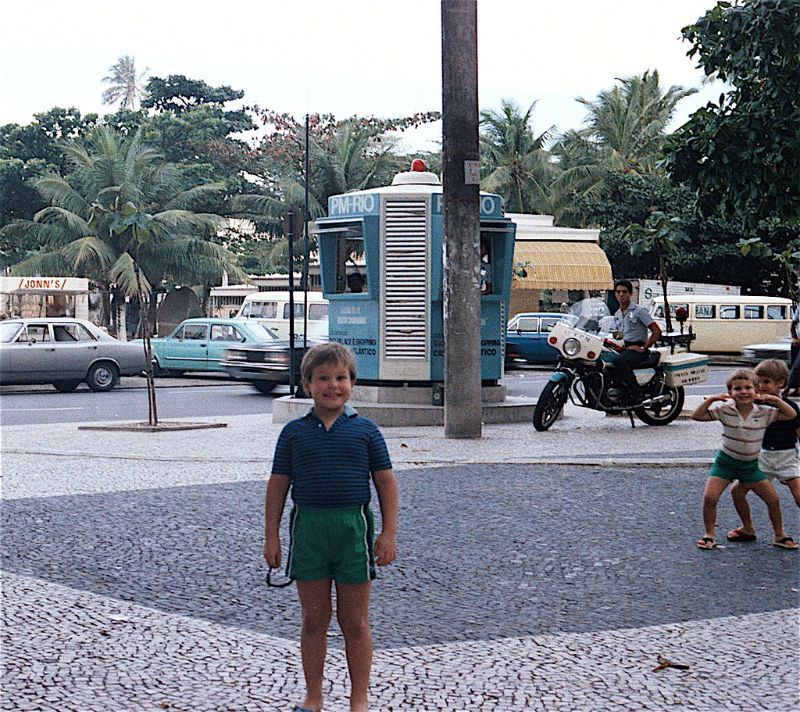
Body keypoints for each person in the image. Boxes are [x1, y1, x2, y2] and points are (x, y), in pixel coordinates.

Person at [263, 342, 399, 712]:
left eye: (340, 377)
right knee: (314, 620)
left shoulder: (366, 431)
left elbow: (385, 482)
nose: (332, 385)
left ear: (352, 382)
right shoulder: (293, 433)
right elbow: (278, 485)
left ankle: (359, 699)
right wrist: (271, 536)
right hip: (308, 529)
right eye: (323, 378)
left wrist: (387, 533)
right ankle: (314, 698)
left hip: (352, 529)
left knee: (354, 621)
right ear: (308, 384)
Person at [691, 368, 798, 550]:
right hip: (726, 462)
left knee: (773, 500)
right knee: (710, 497)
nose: (743, 392)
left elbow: (791, 414)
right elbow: (697, 416)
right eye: (737, 389)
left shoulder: (764, 412)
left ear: (756, 391)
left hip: (750, 466)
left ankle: (779, 535)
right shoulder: (725, 410)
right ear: (730, 393)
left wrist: (775, 400)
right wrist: (710, 400)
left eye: (748, 388)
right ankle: (709, 534)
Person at [726, 360, 800, 545]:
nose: (761, 387)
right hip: (762, 458)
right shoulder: (754, 406)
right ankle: (748, 528)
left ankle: (779, 534)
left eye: (766, 382)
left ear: (780, 383)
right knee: (737, 492)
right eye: (757, 383)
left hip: (787, 457)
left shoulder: (789, 407)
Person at [611, 280, 662, 401]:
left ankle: (636, 392)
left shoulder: (639, 311)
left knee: (619, 361)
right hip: (624, 348)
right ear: (615, 294)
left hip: (637, 349)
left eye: (624, 291)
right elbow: (618, 334)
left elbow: (656, 331)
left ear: (630, 293)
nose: (621, 294)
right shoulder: (617, 314)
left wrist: (644, 347)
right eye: (618, 292)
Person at [789, 303, 800, 396]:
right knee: (794, 364)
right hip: (798, 340)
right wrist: (794, 337)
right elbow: (793, 323)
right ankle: (796, 388)